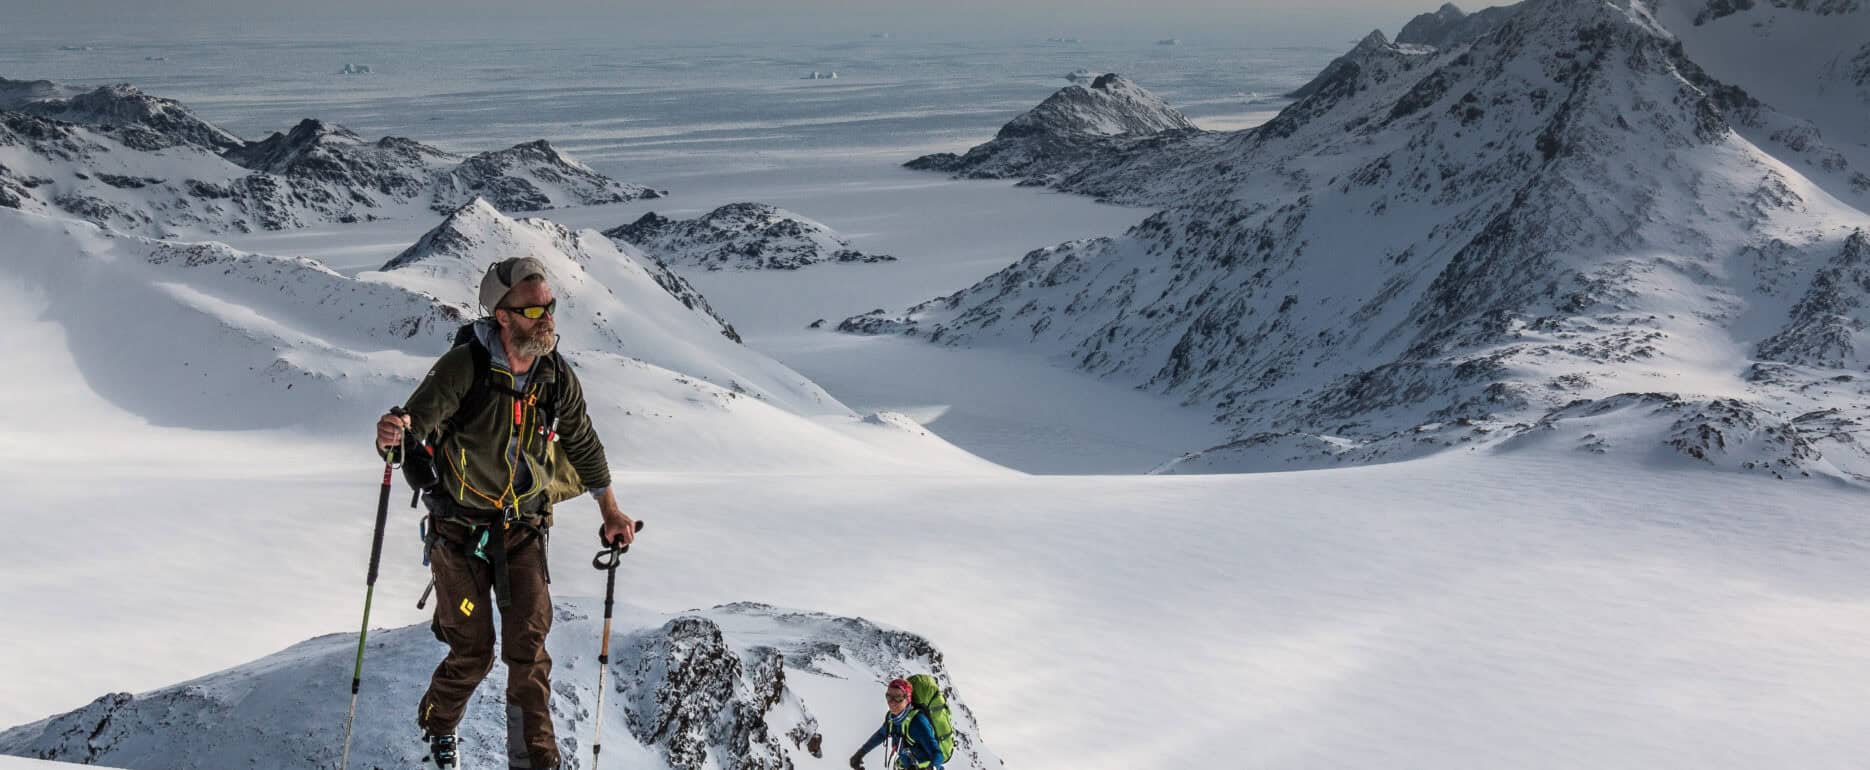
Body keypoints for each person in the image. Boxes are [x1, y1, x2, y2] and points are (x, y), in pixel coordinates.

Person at [374, 256, 636, 770]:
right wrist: (393, 434)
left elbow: (582, 443)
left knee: (529, 654)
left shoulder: (554, 376)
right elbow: (411, 426)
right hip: (458, 533)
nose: (547, 318)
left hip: (523, 529)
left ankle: (535, 762)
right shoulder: (464, 367)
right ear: (502, 316)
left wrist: (610, 511)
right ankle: (439, 725)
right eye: (534, 310)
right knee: (473, 652)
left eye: (550, 307)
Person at [849, 679, 946, 770]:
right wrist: (860, 753)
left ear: (907, 699)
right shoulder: (892, 719)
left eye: (898, 697)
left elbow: (938, 755)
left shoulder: (917, 722)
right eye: (889, 697)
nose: (892, 702)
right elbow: (881, 734)